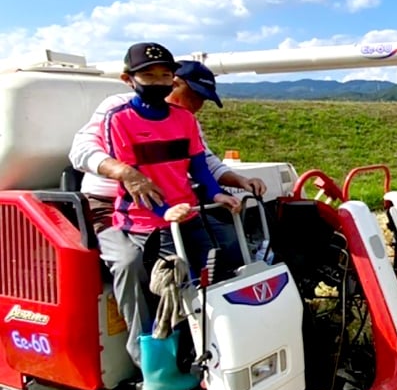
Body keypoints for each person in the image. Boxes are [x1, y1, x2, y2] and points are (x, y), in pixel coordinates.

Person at [66, 44, 256, 368]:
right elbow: (82, 151)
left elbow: (203, 161)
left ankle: (224, 336)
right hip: (112, 203)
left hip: (169, 204)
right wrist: (125, 174)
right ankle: (149, 359)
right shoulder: (118, 110)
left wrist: (232, 183)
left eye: (202, 102)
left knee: (220, 247)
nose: (197, 107)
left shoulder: (182, 119)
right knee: (130, 263)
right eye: (194, 96)